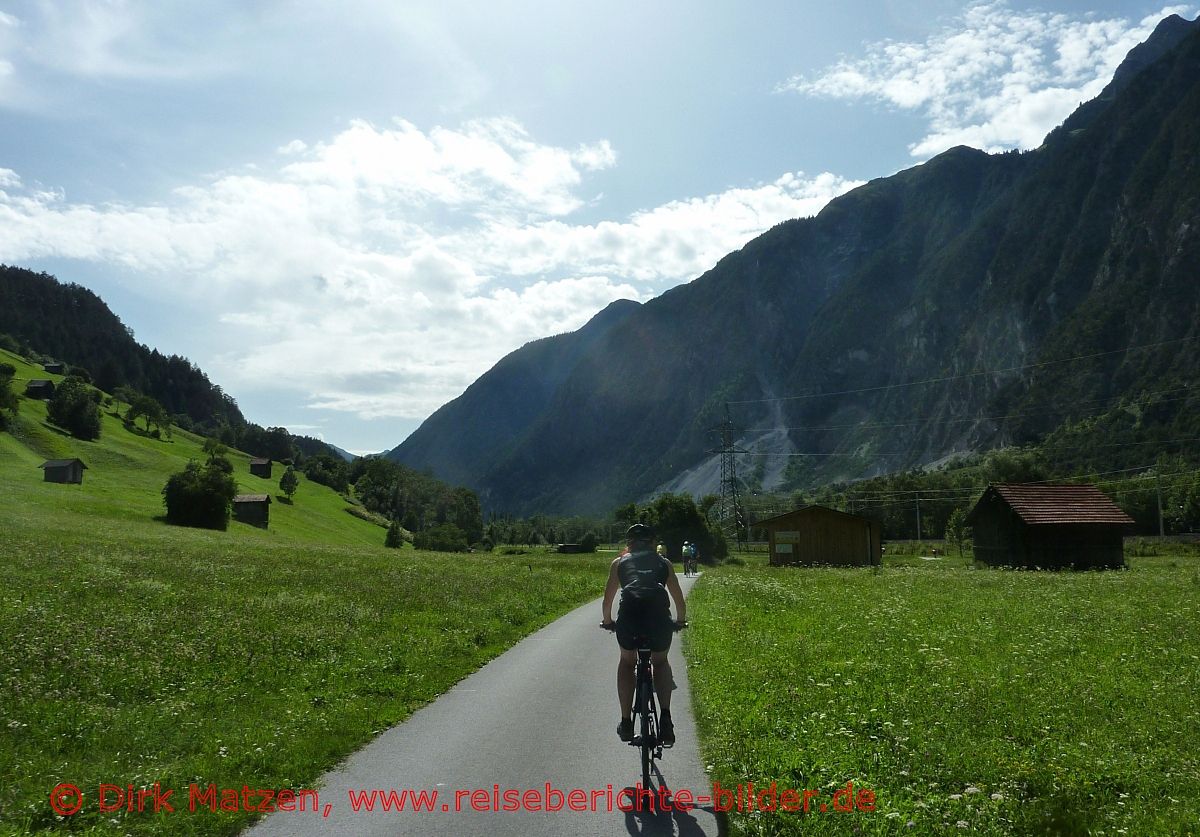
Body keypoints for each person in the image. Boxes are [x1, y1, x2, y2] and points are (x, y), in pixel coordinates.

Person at [602, 523, 686, 745]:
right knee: (660, 663)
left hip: (629, 618)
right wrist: (680, 620)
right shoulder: (664, 563)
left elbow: (608, 598)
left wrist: (608, 621)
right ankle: (665, 718)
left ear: (629, 543)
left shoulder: (619, 563)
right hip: (658, 619)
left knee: (627, 663)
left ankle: (626, 721)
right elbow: (678, 596)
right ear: (652, 542)